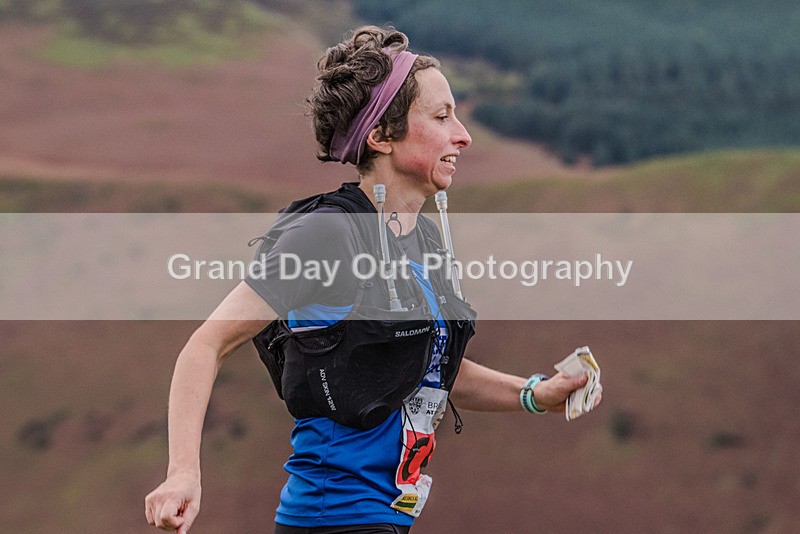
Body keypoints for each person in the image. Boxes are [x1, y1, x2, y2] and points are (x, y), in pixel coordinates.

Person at [144, 25, 602, 534]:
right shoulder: (328, 234)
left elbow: (427, 366)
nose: (464, 135)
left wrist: (534, 394)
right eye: (441, 116)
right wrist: (183, 473)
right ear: (381, 136)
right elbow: (206, 343)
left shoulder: (424, 242)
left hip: (387, 521)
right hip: (331, 520)